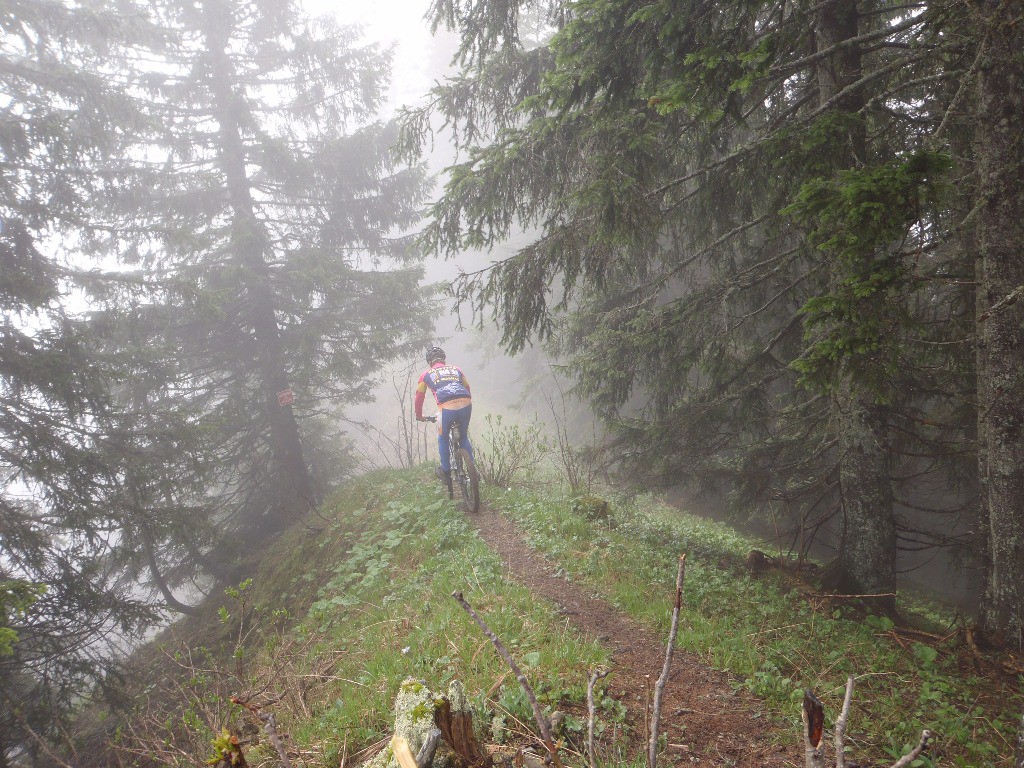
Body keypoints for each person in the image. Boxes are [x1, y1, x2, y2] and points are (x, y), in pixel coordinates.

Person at [415, 346, 474, 485]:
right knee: (464, 436)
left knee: (443, 438)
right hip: (466, 402)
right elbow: (468, 388)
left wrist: (419, 415)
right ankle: (473, 471)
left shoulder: (425, 375)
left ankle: (446, 472)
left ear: (430, 361)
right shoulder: (457, 369)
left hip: (446, 408)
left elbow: (419, 397)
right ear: (444, 359)